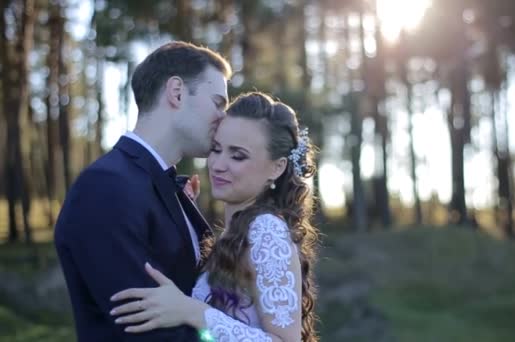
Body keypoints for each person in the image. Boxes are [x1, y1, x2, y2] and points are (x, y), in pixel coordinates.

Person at [54, 41, 231, 341]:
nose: (223, 117)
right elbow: (144, 328)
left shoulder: (163, 186)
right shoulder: (105, 187)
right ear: (176, 92)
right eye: (218, 102)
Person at [108, 92, 320, 341]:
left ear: (277, 167)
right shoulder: (239, 230)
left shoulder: (266, 231)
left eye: (237, 155)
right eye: (216, 149)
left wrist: (195, 312)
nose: (218, 164)